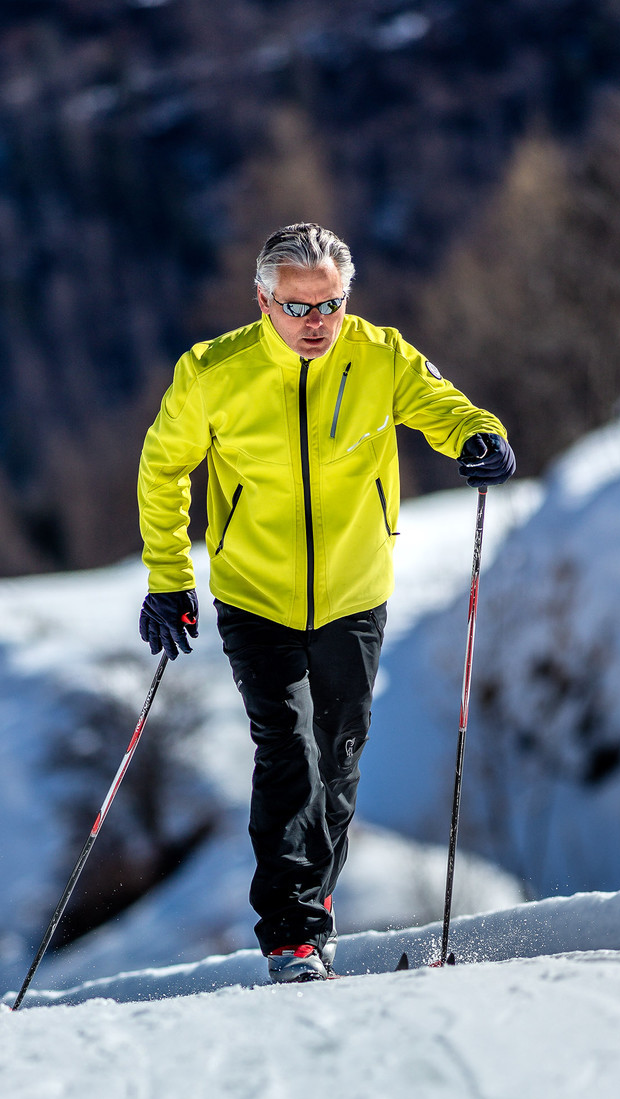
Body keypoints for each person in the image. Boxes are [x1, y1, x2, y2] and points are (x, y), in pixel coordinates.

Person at [136, 221, 515, 982]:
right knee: (288, 750)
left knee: (339, 756)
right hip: (255, 594)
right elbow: (163, 467)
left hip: (354, 593)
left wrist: (481, 436)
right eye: (297, 307)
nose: (316, 322)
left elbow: (447, 409)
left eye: (330, 304)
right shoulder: (213, 372)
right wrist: (169, 578)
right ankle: (292, 936)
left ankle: (315, 902)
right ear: (262, 301)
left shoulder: (381, 356)